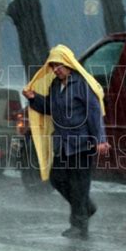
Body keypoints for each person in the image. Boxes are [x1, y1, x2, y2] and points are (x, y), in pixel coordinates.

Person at [23, 45, 110, 239]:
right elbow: (50, 108)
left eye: (59, 65)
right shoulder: (55, 85)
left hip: (82, 144)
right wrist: (33, 98)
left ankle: (79, 226)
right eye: (53, 66)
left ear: (69, 64)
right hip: (63, 144)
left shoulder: (82, 84)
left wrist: (100, 140)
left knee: (79, 186)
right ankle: (86, 207)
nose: (56, 69)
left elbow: (94, 114)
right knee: (57, 178)